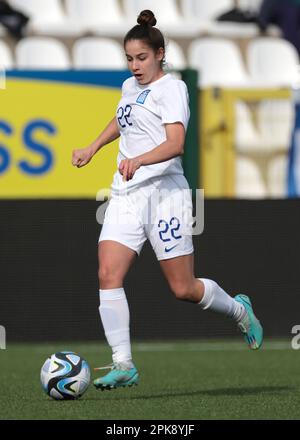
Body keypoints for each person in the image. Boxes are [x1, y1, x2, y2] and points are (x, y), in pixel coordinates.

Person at [72, 10, 263, 391]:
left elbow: (175, 144)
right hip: (126, 193)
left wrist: (139, 160)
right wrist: (93, 146)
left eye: (141, 57)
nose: (134, 65)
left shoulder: (173, 89)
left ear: (160, 53)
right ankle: (123, 363)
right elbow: (122, 120)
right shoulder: (130, 87)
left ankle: (240, 310)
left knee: (183, 289)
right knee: (108, 273)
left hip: (165, 196)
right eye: (129, 58)